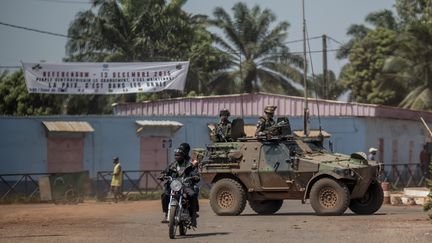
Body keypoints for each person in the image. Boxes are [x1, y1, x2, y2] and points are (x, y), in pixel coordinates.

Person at [159, 146, 200, 227]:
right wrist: (163, 175)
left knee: (192, 194)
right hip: (174, 185)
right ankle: (167, 213)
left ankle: (193, 216)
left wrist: (195, 176)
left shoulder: (189, 165)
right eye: (176, 155)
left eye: (179, 155)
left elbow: (195, 173)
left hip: (185, 185)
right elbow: (165, 171)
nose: (177, 157)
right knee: (164, 194)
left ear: (183, 156)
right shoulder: (172, 165)